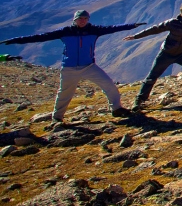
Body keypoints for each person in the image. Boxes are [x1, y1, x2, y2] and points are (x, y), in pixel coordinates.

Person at [1, 10, 144, 125]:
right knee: (64, 93)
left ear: (88, 20)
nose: (82, 21)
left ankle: (117, 109)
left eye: (85, 19)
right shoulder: (65, 31)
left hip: (89, 66)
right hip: (69, 68)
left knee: (109, 85)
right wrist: (16, 40)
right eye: (80, 19)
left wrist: (133, 26)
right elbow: (40, 37)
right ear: (75, 20)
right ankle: (57, 118)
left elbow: (113, 28)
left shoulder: (94, 30)